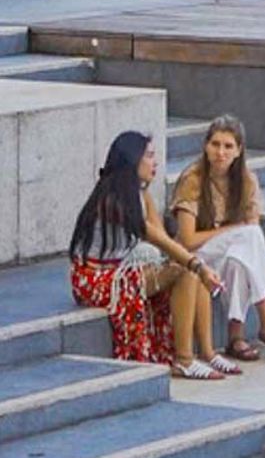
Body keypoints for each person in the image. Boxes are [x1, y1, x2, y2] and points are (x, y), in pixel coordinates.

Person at [69, 131, 240, 380]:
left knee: (187, 268)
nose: (155, 162)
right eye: (149, 155)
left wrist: (191, 263)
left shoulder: (140, 194)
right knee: (187, 270)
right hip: (95, 279)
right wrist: (198, 266)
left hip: (120, 270)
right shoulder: (113, 200)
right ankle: (184, 360)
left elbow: (164, 243)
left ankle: (207, 352)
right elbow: (154, 237)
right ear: (132, 159)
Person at [171, 115, 265, 361]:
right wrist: (229, 230)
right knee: (249, 234)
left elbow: (252, 245)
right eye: (215, 144)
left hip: (228, 256)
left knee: (239, 259)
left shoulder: (246, 180)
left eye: (228, 146)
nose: (220, 152)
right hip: (194, 258)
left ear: (239, 150)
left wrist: (260, 283)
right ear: (205, 145)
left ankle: (236, 337)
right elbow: (187, 240)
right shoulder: (193, 179)